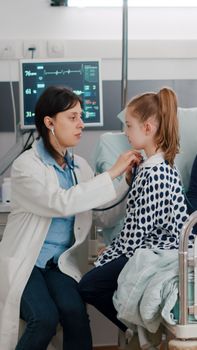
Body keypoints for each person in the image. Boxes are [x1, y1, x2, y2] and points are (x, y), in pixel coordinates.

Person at [0, 86, 138, 350]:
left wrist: (125, 185)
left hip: (58, 265)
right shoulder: (26, 166)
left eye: (81, 117)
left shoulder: (80, 167)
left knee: (75, 315)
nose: (81, 124)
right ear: (49, 122)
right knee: (44, 318)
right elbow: (60, 203)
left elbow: (103, 216)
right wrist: (111, 174)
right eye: (73, 117)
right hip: (27, 263)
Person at [79, 87, 195, 336]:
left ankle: (139, 329)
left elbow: (134, 234)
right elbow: (136, 225)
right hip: (155, 246)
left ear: (148, 128)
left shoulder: (154, 173)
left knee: (89, 285)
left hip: (161, 251)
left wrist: (107, 255)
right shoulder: (154, 167)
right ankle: (137, 328)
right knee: (95, 280)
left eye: (129, 125)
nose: (125, 132)